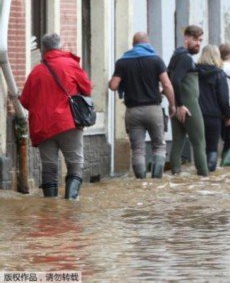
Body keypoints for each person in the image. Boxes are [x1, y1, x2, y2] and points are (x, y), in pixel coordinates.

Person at [20, 33, 92, 199]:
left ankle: (50, 205)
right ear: (60, 46)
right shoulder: (71, 65)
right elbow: (87, 89)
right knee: (75, 163)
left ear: (43, 49)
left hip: (43, 127)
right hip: (68, 124)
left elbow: (25, 101)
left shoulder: (36, 72)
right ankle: (71, 201)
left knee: (49, 166)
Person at [108, 32, 176, 179]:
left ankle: (141, 182)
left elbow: (113, 85)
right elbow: (167, 84)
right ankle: (156, 181)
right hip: (153, 109)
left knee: (138, 150)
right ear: (148, 44)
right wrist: (172, 105)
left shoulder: (123, 62)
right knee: (159, 146)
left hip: (133, 111)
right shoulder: (156, 60)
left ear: (133, 45)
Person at [167, 25, 208, 176]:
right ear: (186, 39)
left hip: (179, 104)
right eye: (196, 40)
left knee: (177, 142)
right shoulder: (185, 57)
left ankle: (176, 176)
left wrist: (174, 104)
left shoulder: (176, 55)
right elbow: (176, 80)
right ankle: (204, 177)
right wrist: (181, 105)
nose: (198, 43)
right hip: (188, 105)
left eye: (200, 40)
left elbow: (168, 78)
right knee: (199, 142)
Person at [196, 45, 230, 172]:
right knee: (212, 147)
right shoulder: (219, 74)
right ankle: (208, 177)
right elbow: (223, 98)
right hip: (213, 116)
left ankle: (198, 174)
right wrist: (228, 116)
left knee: (198, 147)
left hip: (196, 115)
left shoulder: (194, 72)